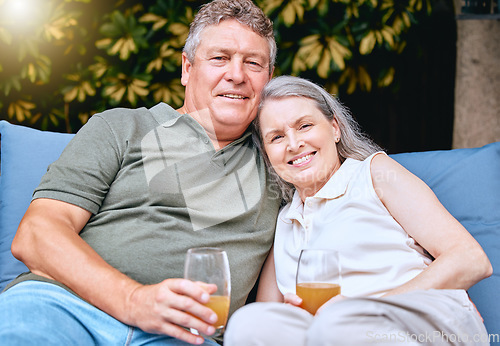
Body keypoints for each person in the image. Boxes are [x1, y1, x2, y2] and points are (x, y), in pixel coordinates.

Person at [0, 1, 280, 345]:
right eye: (219, 58)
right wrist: (133, 301)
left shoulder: (281, 160)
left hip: (183, 334)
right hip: (63, 307)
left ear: (269, 80)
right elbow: (36, 233)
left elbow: (354, 178)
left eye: (253, 63)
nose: (237, 74)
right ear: (187, 68)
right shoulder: (122, 126)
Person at [224, 75, 492, 345]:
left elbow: (471, 258)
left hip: (419, 319)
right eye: (277, 137)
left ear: (335, 128)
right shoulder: (285, 221)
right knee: (250, 324)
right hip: (332, 332)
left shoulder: (374, 174)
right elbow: (270, 314)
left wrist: (362, 308)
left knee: (337, 325)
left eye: (304, 126)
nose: (294, 144)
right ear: (267, 153)